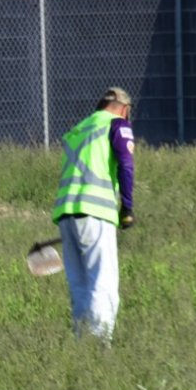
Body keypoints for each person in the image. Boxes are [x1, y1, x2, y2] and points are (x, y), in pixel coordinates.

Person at [51, 87, 136, 346]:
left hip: (66, 213)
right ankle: (100, 346)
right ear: (124, 109)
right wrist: (128, 207)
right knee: (103, 281)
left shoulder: (79, 129)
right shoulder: (117, 124)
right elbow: (126, 163)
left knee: (80, 284)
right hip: (96, 211)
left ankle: (81, 344)